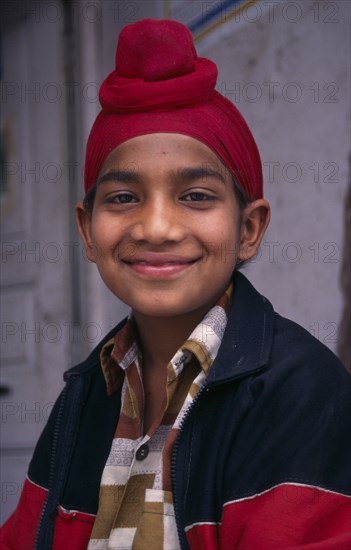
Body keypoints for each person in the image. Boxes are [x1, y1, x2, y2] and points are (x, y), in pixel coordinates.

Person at [1, 18, 350, 550]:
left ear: (249, 229)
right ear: (87, 231)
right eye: (122, 198)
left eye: (196, 196)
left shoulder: (299, 393)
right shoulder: (82, 399)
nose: (157, 228)